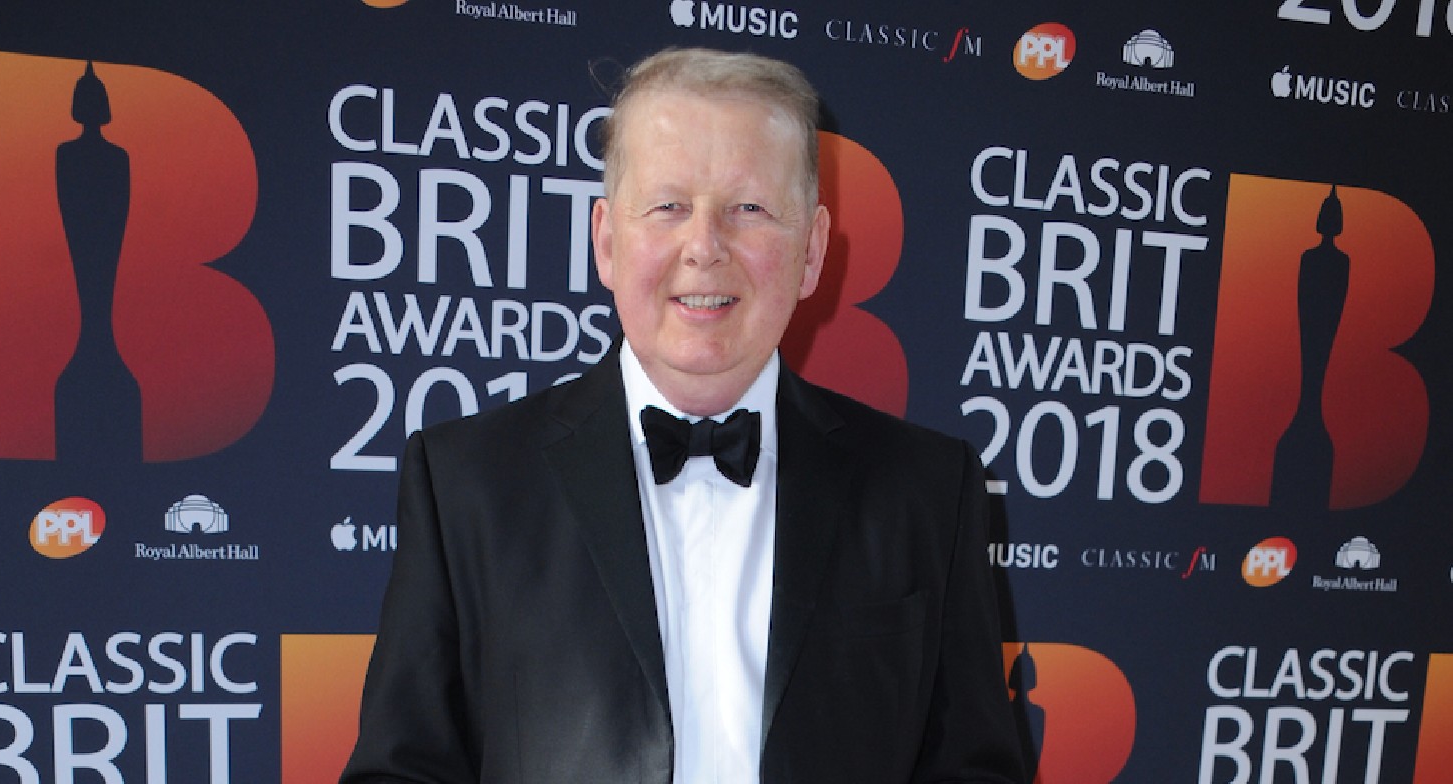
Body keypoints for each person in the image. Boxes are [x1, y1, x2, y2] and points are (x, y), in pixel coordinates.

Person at [341, 47, 1025, 784]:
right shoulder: (464, 483)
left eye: (749, 209)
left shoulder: (927, 489)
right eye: (668, 206)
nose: (704, 247)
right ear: (606, 240)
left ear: (812, 252)